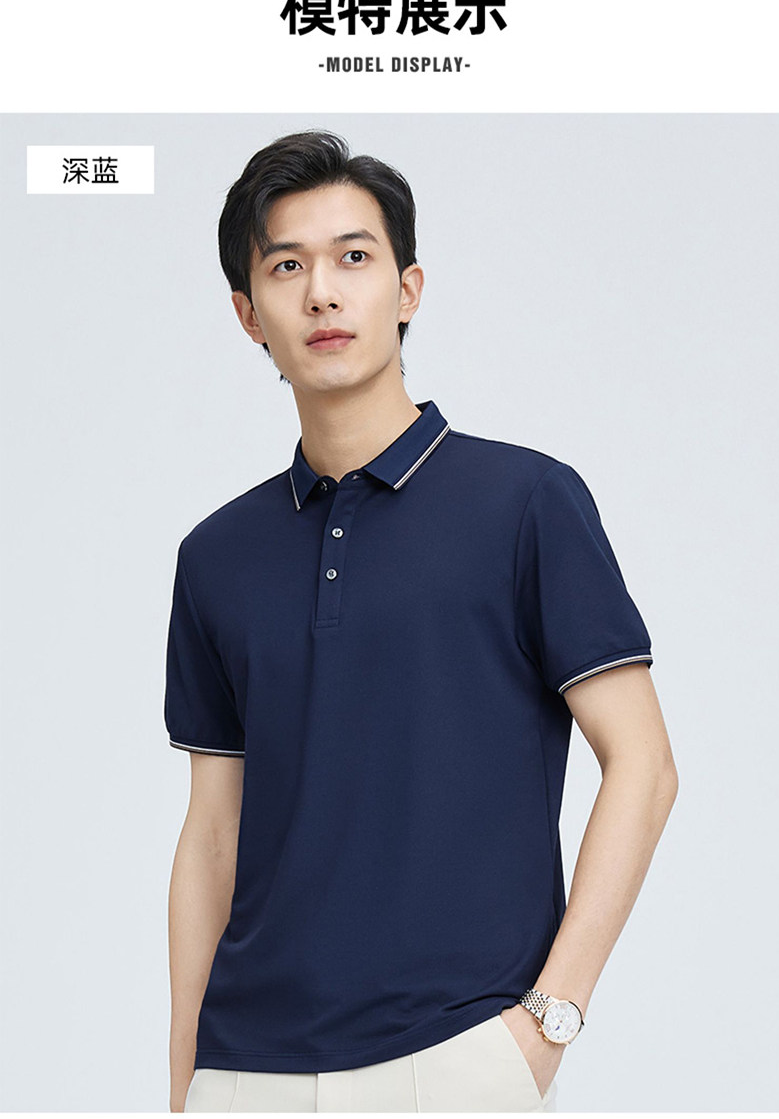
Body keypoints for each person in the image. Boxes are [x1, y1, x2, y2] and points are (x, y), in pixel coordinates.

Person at [164, 130, 678, 1114]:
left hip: (453, 1059)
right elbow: (212, 832)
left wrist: (545, 1024)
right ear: (248, 312)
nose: (322, 293)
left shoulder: (526, 503)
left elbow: (644, 765)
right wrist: (187, 1079)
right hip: (244, 1071)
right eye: (287, 266)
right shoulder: (215, 555)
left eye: (353, 257)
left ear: (407, 289)